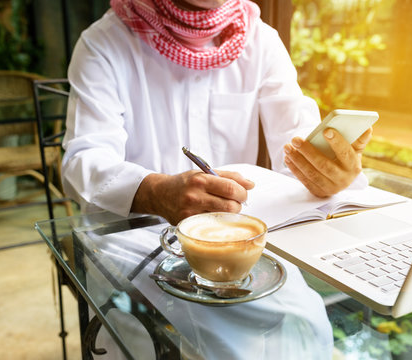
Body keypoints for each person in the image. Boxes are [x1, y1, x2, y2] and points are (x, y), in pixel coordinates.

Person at [61, 0, 372, 358]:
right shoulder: (105, 42)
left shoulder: (260, 40)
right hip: (134, 234)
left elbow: (298, 144)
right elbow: (82, 160)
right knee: (205, 336)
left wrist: (326, 172)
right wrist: (155, 192)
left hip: (238, 239)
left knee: (301, 316)